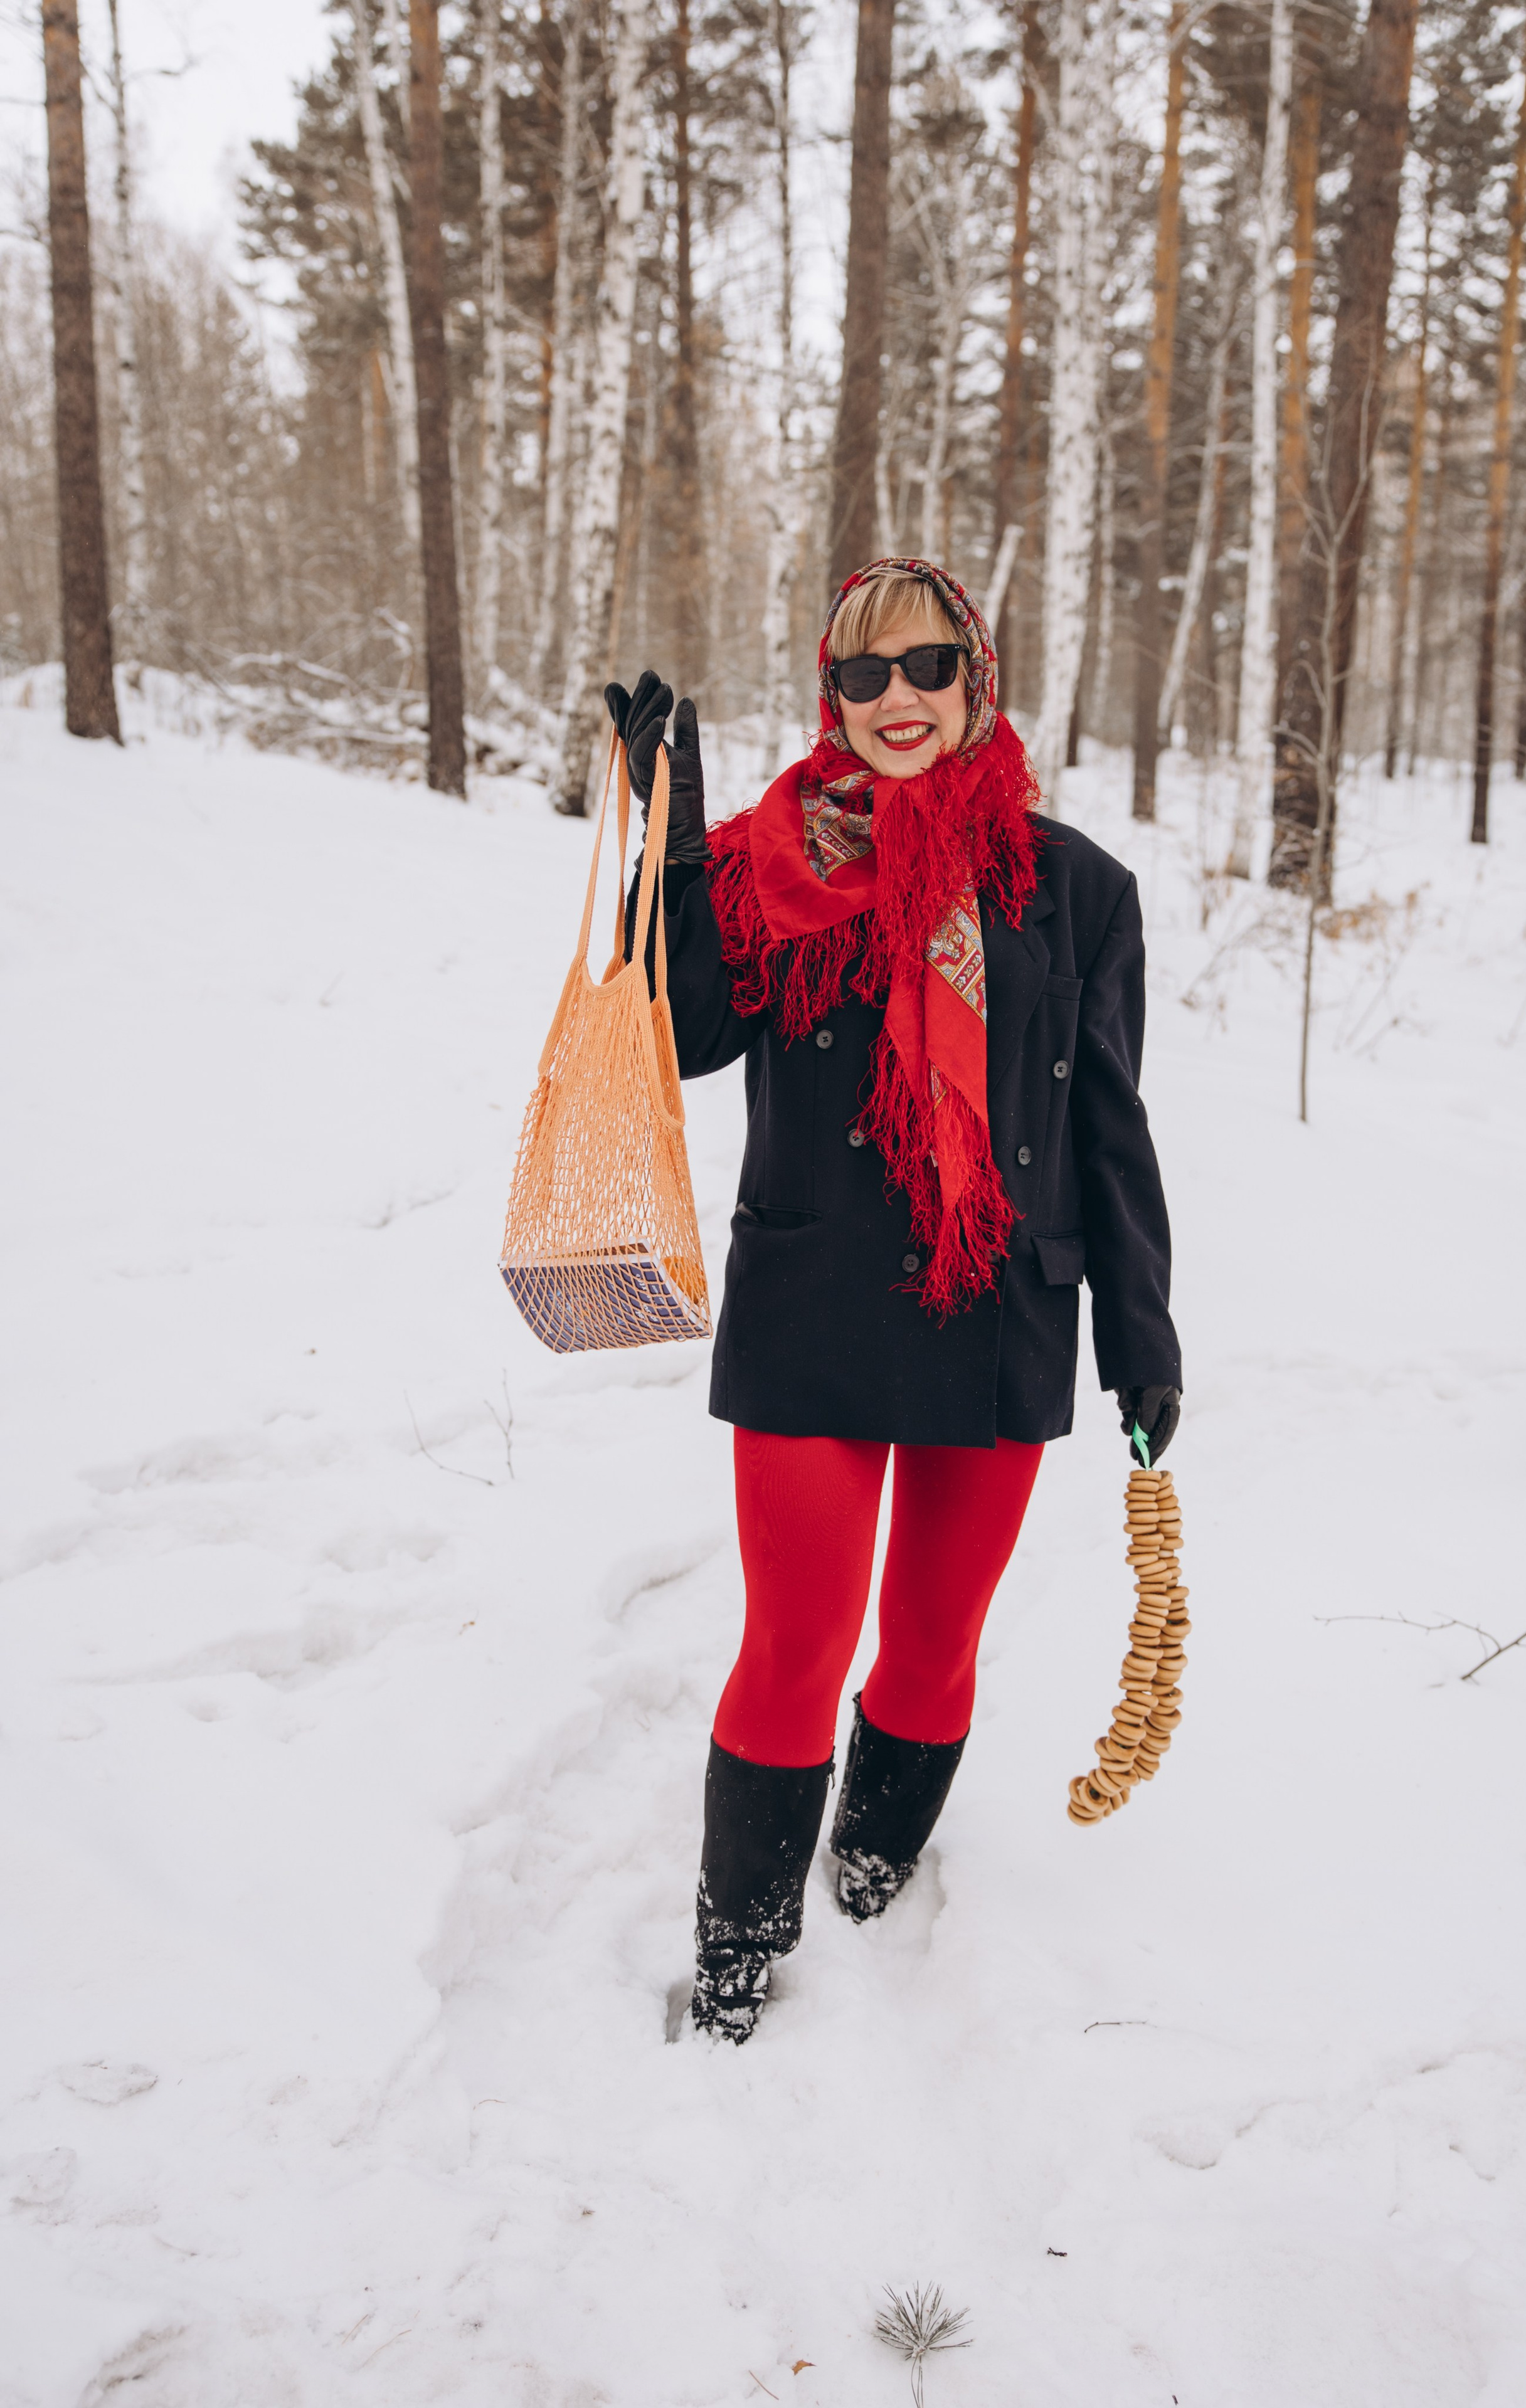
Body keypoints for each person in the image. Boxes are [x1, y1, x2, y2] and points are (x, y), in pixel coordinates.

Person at [603, 557, 1181, 2045]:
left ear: (974, 683)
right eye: (862, 676)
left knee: (930, 1643)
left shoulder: (1074, 890)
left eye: (927, 667)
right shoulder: (764, 865)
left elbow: (1109, 1127)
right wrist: (668, 844)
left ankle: (872, 1863)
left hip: (996, 1312)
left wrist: (1140, 1327)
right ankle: (737, 1948)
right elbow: (680, 1038)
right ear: (829, 696)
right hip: (810, 1305)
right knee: (793, 1642)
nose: (897, 700)